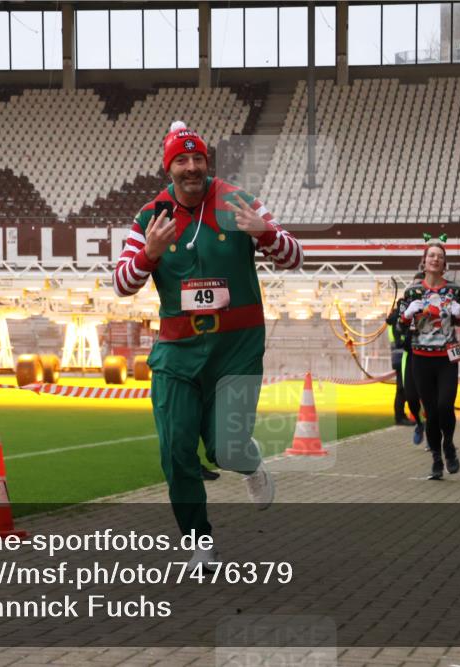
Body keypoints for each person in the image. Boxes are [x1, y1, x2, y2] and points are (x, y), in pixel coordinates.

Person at [113, 120, 304, 568]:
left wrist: (265, 233)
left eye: (198, 158)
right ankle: (198, 540)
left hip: (235, 349)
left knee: (226, 448)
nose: (192, 166)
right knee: (176, 448)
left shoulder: (238, 201)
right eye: (182, 159)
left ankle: (250, 464)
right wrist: (149, 254)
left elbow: (295, 256)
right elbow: (122, 283)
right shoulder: (149, 217)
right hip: (178, 352)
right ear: (170, 167)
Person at [399, 235, 460, 480]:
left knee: (445, 405)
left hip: (447, 356)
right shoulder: (412, 291)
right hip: (421, 357)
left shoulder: (455, 290)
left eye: (440, 256)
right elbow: (400, 325)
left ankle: (448, 444)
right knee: (431, 410)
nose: (435, 259)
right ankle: (437, 458)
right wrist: (407, 314)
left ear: (444, 262)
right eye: (431, 256)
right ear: (424, 261)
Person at [386, 272, 426, 445]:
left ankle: (421, 423)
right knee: (404, 389)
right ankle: (406, 418)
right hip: (404, 355)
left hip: (423, 355)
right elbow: (391, 320)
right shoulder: (404, 305)